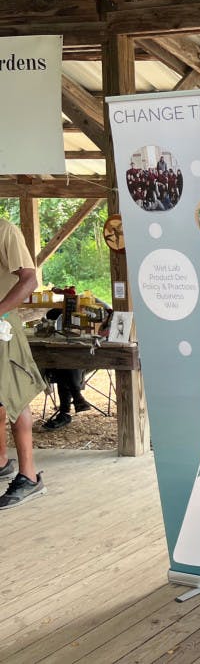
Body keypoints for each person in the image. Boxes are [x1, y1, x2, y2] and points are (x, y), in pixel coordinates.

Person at [0, 217, 47, 509]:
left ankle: (29, 477)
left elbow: (30, 279)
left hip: (2, 325)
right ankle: (2, 461)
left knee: (14, 397)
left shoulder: (5, 231)